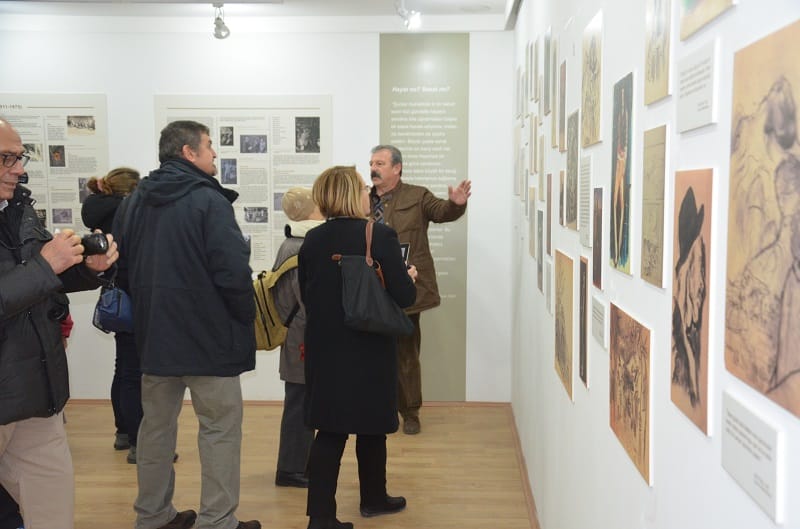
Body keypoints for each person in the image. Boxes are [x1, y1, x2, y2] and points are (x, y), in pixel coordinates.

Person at [114, 120, 259, 529]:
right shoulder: (209, 201)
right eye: (209, 146)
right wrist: (245, 315)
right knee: (219, 430)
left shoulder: (135, 201)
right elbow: (233, 271)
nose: (215, 153)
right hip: (210, 340)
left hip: (156, 338)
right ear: (188, 152)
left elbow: (121, 268)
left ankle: (153, 515)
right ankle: (217, 520)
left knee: (155, 430)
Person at [0, 118, 119, 529]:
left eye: (20, 157)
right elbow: (36, 273)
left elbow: (40, 282)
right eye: (6, 158)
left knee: (53, 514)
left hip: (37, 393)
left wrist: (87, 268)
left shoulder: (17, 210)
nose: (19, 169)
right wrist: (46, 265)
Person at [299, 165, 417, 529]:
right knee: (372, 424)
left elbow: (307, 294)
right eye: (364, 188)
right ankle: (373, 498)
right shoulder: (379, 235)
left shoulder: (312, 240)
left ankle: (321, 517)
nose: (370, 193)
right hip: (369, 346)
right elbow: (405, 296)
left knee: (329, 431)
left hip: (325, 348)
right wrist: (407, 276)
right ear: (352, 195)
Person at [368, 144, 471, 434]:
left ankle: (410, 411)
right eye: (372, 163)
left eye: (380, 163)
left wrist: (456, 204)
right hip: (371, 287)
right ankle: (378, 407)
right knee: (372, 352)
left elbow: (441, 212)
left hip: (406, 287)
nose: (373, 168)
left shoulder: (417, 195)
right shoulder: (362, 198)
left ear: (397, 168)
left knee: (406, 354)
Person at [81, 167, 144, 462]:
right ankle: (138, 443)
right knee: (133, 374)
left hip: (117, 297)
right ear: (130, 191)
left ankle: (123, 432)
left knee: (124, 369)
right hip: (133, 296)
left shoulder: (101, 212)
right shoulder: (127, 214)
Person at [272, 188, 324, 489]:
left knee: (302, 399)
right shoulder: (298, 247)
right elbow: (308, 300)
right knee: (299, 402)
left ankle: (298, 464)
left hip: (299, 332)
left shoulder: (293, 243)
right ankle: (291, 469)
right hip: (302, 335)